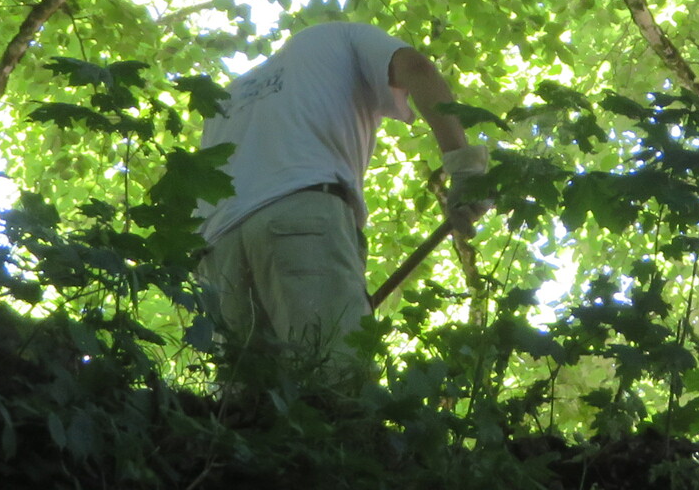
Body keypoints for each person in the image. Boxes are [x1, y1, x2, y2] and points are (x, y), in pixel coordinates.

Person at [196, 19, 486, 385]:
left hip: (217, 248)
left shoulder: (231, 95)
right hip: (300, 215)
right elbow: (416, 68)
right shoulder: (343, 35)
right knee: (337, 383)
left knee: (247, 407)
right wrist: (465, 169)